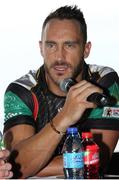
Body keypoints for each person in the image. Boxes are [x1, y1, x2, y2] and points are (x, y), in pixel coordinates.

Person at [3, 5, 119, 178]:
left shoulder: (104, 82)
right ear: (41, 48)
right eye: (51, 46)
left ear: (86, 49)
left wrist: (32, 164)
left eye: (69, 45)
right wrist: (65, 116)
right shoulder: (21, 91)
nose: (59, 57)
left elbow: (97, 160)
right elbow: (18, 166)